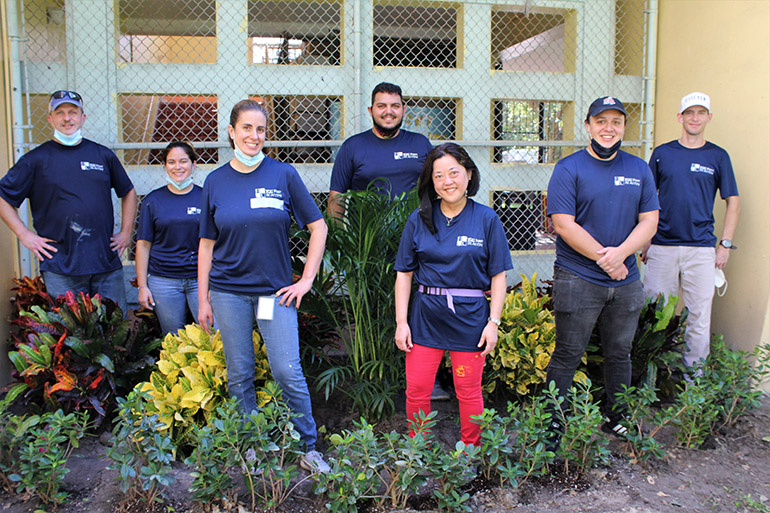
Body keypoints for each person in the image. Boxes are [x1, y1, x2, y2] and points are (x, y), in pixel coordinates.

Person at [197, 99, 330, 473]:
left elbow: (317, 227)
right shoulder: (215, 181)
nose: (254, 136)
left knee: (287, 369)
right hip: (228, 293)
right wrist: (203, 296)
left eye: (260, 129)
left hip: (273, 294)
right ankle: (251, 444)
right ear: (231, 132)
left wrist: (306, 280)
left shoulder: (283, 175)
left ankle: (306, 447)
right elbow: (206, 244)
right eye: (246, 128)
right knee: (239, 372)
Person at [545, 97, 659, 440]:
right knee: (568, 353)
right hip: (577, 277)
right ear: (588, 126)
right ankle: (553, 421)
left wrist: (621, 256)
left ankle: (617, 417)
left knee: (620, 353)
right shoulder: (569, 168)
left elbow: (650, 220)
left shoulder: (639, 168)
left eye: (616, 122)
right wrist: (606, 259)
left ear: (624, 127)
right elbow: (563, 224)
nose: (608, 128)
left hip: (625, 282)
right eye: (601, 121)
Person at [394, 143, 512, 446]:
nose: (447, 181)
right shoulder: (417, 219)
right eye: (439, 176)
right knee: (417, 389)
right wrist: (401, 322)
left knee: (468, 390)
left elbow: (499, 275)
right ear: (431, 182)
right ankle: (416, 450)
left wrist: (493, 323)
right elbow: (404, 274)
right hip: (425, 317)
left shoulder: (486, 219)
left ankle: (470, 452)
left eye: (454, 173)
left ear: (469, 174)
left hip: (470, 318)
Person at [0, 90, 136, 315]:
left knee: (113, 332)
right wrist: (25, 236)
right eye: (60, 112)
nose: (67, 118)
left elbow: (128, 191)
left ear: (83, 117)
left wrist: (126, 232)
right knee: (73, 337)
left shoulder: (102, 155)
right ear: (50, 119)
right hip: (61, 268)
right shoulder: (35, 160)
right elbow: (3, 197)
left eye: (73, 112)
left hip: (105, 264)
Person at [642, 92, 740, 370]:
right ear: (680, 117)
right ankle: (655, 378)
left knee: (699, 317)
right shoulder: (662, 154)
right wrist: (646, 240)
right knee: (654, 314)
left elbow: (733, 202)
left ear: (709, 117)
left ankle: (693, 384)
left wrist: (725, 244)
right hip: (662, 246)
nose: (695, 118)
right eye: (689, 113)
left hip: (701, 249)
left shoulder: (718, 156)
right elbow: (647, 199)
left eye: (700, 113)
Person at [327, 81, 433, 217]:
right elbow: (337, 197)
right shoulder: (352, 146)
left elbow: (437, 188)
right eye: (381, 106)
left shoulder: (420, 143)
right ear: (371, 111)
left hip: (415, 235)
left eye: (395, 106)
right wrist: (337, 236)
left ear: (404, 110)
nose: (389, 112)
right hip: (367, 236)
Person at [136, 141, 205, 335]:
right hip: (163, 281)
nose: (178, 167)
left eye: (183, 161)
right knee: (172, 337)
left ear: (193, 163)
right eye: (171, 162)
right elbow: (143, 245)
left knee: (210, 334)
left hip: (199, 279)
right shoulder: (152, 201)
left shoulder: (205, 197)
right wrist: (143, 285)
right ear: (164, 166)